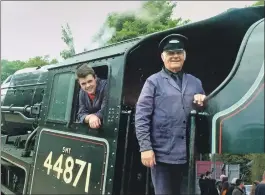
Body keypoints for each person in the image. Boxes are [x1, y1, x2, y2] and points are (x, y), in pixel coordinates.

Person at [135, 34, 206, 195]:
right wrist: (145, 148)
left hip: (188, 155)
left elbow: (204, 113)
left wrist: (203, 102)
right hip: (162, 157)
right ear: (162, 57)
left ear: (184, 55)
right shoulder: (152, 82)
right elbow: (141, 116)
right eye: (170, 53)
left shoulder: (195, 82)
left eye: (179, 52)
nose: (175, 56)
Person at [76, 64, 107, 129]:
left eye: (90, 81)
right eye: (83, 83)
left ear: (95, 78)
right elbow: (81, 114)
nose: (87, 86)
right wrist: (90, 117)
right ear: (79, 83)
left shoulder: (106, 86)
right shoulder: (82, 91)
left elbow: (105, 110)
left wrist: (95, 116)